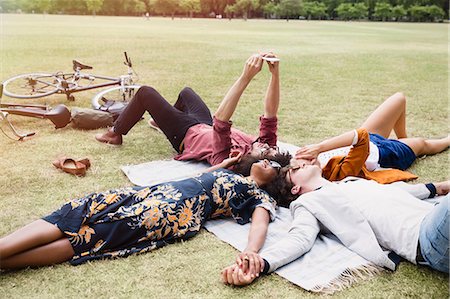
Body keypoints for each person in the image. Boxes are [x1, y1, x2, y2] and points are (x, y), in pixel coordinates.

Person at [0, 155, 284, 270]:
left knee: (97, 235)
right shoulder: (231, 172)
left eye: (273, 164)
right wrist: (226, 163)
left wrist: (251, 250)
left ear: (274, 182)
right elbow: (203, 178)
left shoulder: (259, 196)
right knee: (83, 209)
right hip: (150, 191)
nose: (266, 159)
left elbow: (259, 224)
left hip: (172, 210)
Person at [221, 164, 450, 286]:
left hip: (434, 217)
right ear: (295, 189)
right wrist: (261, 263)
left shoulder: (348, 183)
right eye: (296, 169)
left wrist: (437, 187)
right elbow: (300, 238)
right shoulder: (308, 202)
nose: (302, 164)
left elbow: (392, 193)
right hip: (426, 237)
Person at [95, 53, 291, 169]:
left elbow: (221, 120)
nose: (267, 145)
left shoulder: (229, 159)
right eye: (271, 148)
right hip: (204, 125)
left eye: (266, 150)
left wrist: (245, 77)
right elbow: (270, 114)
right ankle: (163, 120)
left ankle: (115, 133)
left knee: (145, 93)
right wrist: (275, 73)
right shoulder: (264, 148)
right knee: (186, 93)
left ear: (259, 163)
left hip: (184, 135)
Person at [295, 92, 449, 174]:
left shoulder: (293, 162)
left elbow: (360, 134)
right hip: (385, 154)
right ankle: (441, 142)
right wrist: (320, 148)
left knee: (399, 99)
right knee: (424, 144)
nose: (303, 165)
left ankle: (404, 142)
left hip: (366, 139)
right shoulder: (320, 178)